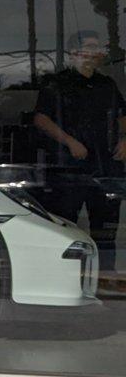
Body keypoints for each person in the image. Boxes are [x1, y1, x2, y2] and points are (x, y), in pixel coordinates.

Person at [32, 29, 126, 276]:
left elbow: (122, 115)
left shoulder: (106, 84)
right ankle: (65, 276)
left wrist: (124, 140)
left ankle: (105, 278)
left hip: (105, 168)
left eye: (96, 48)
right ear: (73, 53)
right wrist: (70, 142)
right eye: (88, 47)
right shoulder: (57, 83)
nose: (93, 52)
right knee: (65, 225)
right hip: (69, 168)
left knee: (105, 227)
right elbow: (41, 119)